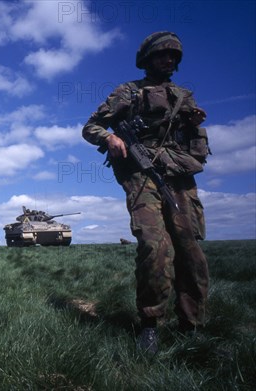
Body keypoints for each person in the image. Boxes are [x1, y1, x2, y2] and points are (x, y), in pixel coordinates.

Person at [82, 32, 210, 353]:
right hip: (141, 171)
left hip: (179, 174)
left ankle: (190, 325)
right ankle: (150, 323)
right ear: (148, 59)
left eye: (173, 57)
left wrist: (193, 124)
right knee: (155, 246)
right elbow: (91, 126)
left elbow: (195, 144)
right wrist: (110, 139)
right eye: (162, 55)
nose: (168, 60)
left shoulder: (184, 97)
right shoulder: (129, 92)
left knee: (190, 250)